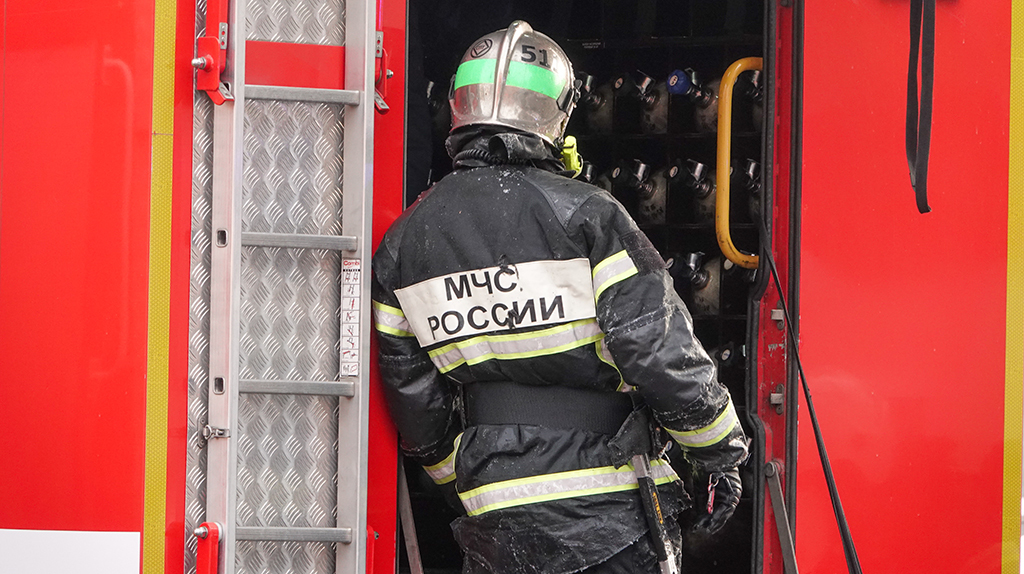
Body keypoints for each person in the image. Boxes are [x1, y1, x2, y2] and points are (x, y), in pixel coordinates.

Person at [371, 20, 749, 574]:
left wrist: (470, 476)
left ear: (459, 106)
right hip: (608, 507)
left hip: (493, 514)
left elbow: (413, 396)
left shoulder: (404, 242)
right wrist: (719, 453)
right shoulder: (589, 216)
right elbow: (653, 346)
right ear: (556, 114)